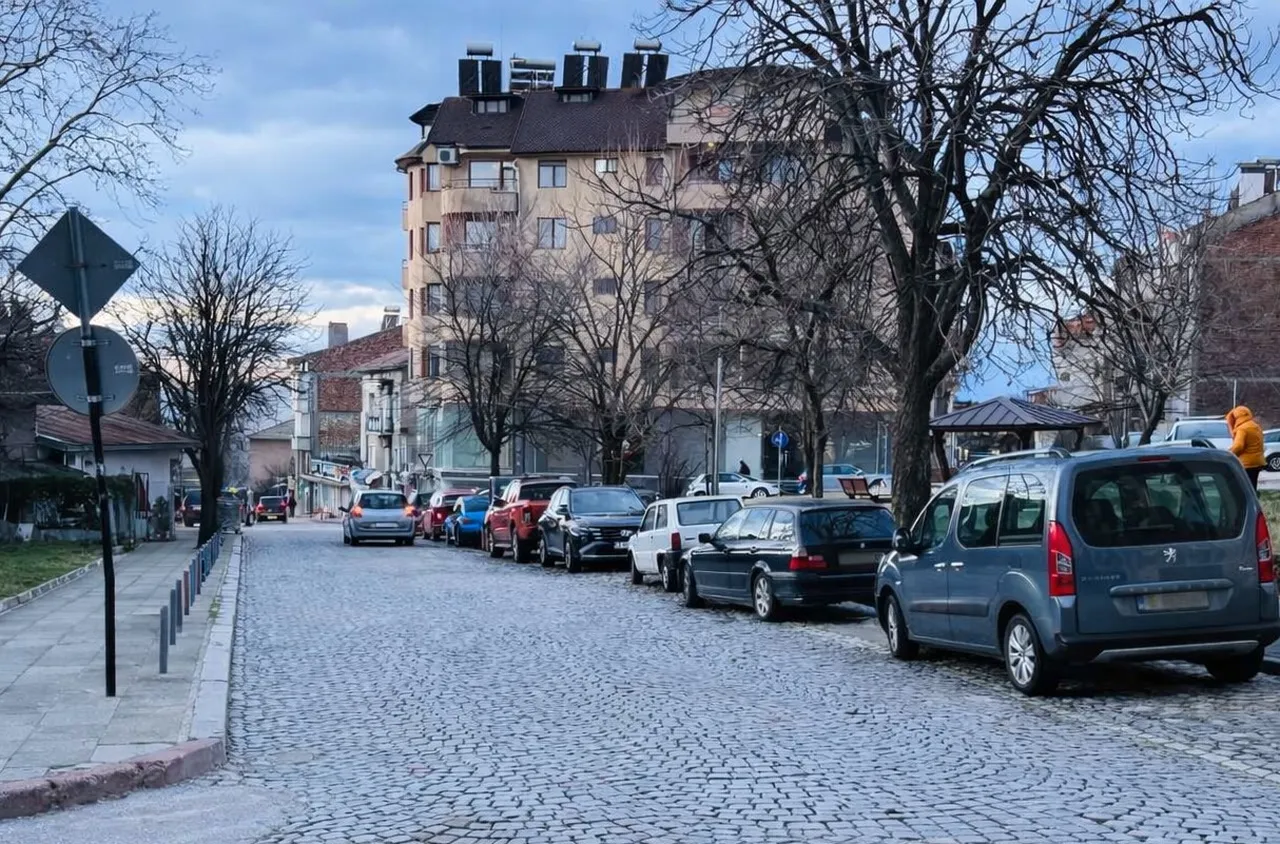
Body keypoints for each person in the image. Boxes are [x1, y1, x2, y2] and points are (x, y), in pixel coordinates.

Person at [1227, 405, 1266, 490]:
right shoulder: (1255, 426)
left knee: (1245, 487)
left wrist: (1228, 454)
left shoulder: (1242, 429)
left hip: (1247, 463)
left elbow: (1238, 446)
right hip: (1258, 461)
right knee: (1252, 485)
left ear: (1237, 417)